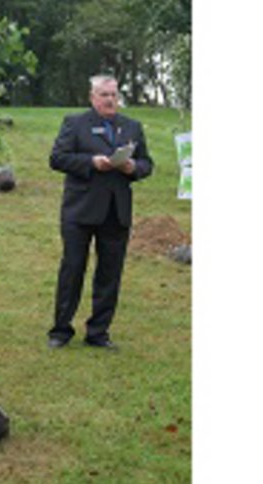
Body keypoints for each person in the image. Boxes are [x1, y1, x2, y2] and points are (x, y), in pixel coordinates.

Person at [47, 74, 153, 349]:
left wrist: (133, 168)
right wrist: (91, 162)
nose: (110, 100)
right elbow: (57, 158)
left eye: (114, 95)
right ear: (92, 97)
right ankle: (60, 331)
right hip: (80, 210)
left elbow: (147, 163)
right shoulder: (75, 124)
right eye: (104, 95)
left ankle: (98, 332)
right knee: (72, 270)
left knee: (110, 274)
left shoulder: (131, 127)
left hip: (116, 212)